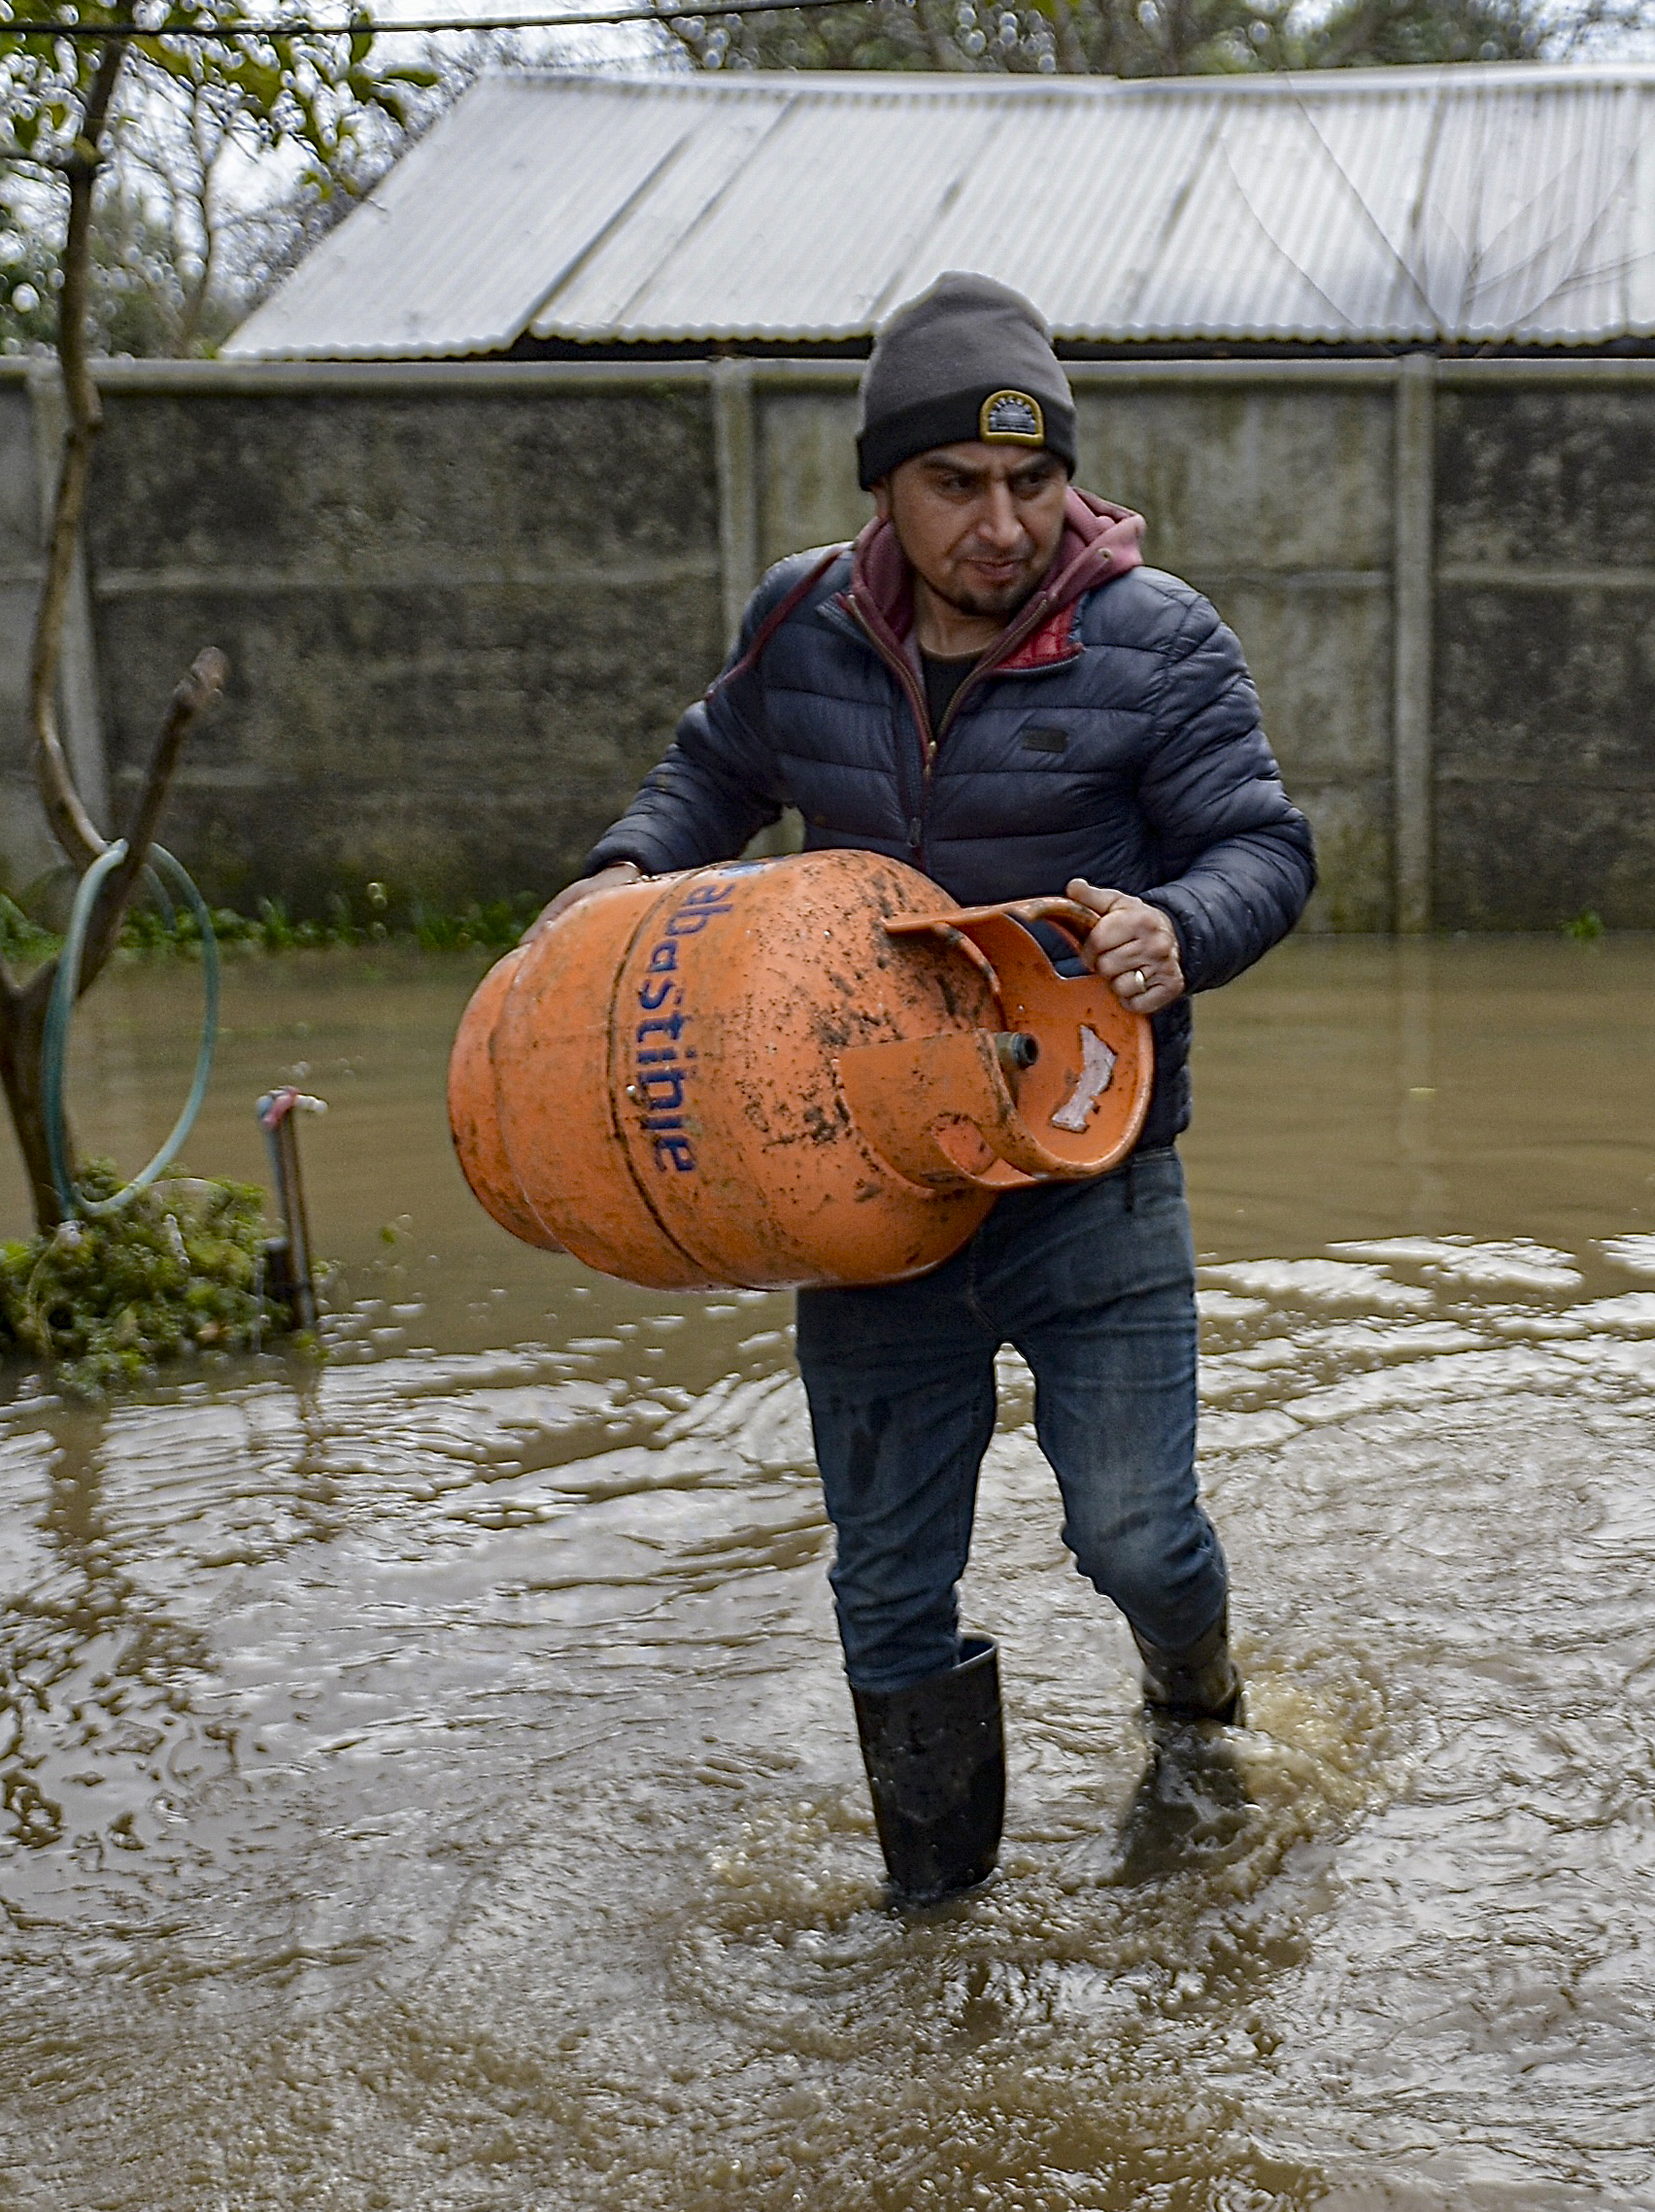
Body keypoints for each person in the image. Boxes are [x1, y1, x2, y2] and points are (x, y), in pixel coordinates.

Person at [536, 273, 1316, 1903]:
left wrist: (1185, 924)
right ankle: (935, 1921)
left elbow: (1267, 847)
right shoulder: (800, 623)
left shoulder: (1157, 640)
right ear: (883, 485)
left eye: (1034, 483)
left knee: (1135, 1536)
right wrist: (617, 876)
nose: (1003, 521)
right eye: (958, 484)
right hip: (868, 1195)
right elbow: (710, 773)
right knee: (889, 1585)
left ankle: (1197, 1702)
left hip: (1088, 1174)